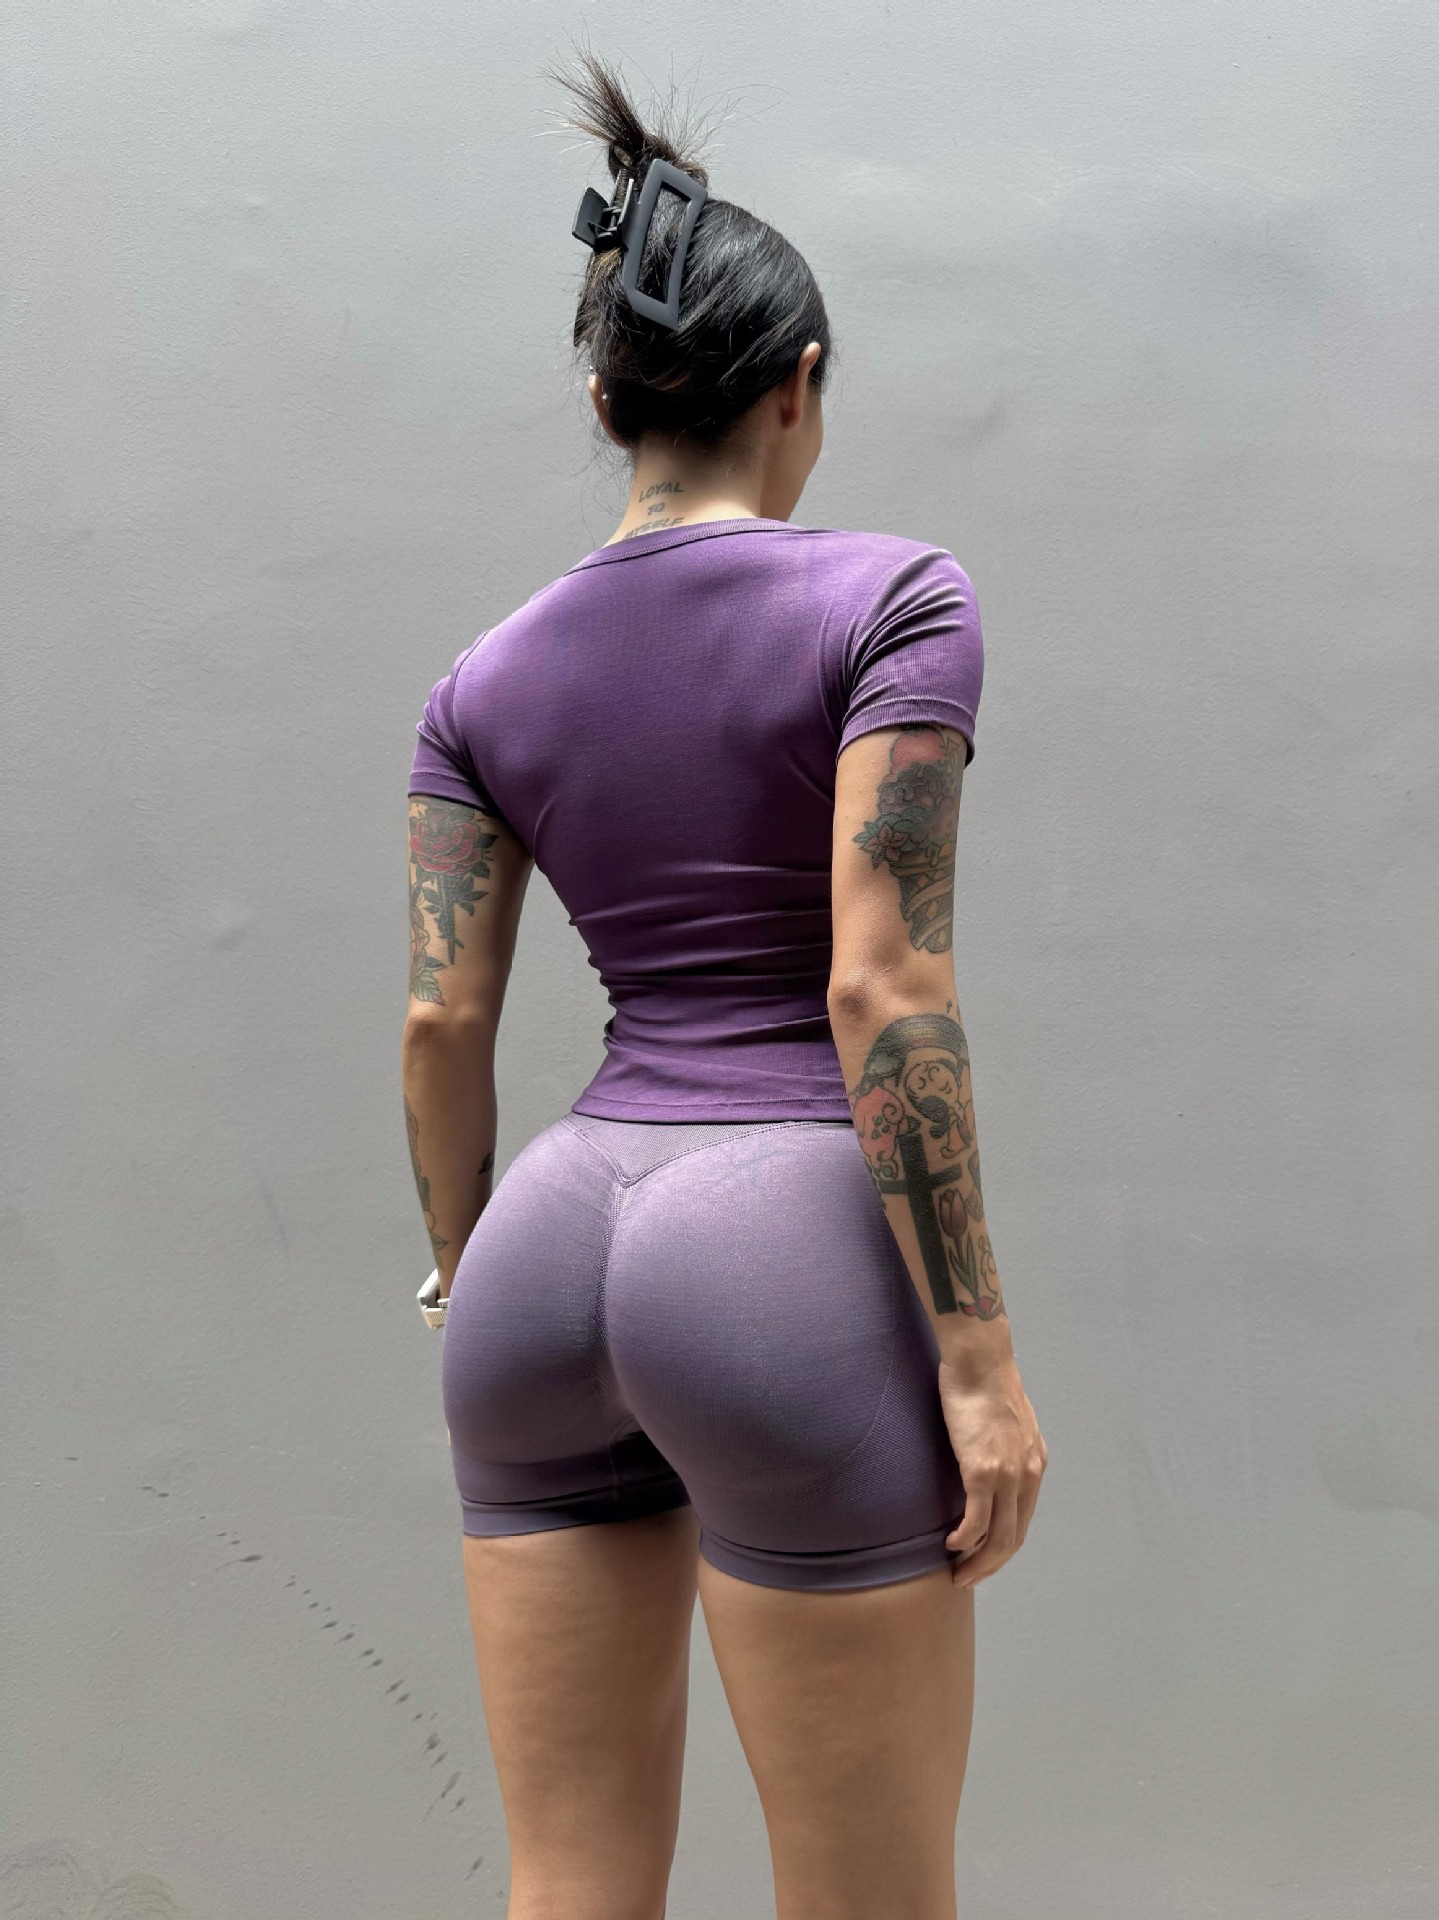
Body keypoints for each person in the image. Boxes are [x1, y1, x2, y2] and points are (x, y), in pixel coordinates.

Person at [400, 48, 1047, 1920]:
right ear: (800, 387)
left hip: (541, 1253)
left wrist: (458, 1265)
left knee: (569, 1886)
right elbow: (880, 986)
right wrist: (978, 1363)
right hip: (778, 1252)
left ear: (607, 398)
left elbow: (443, 1018)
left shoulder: (482, 678)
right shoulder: (896, 602)